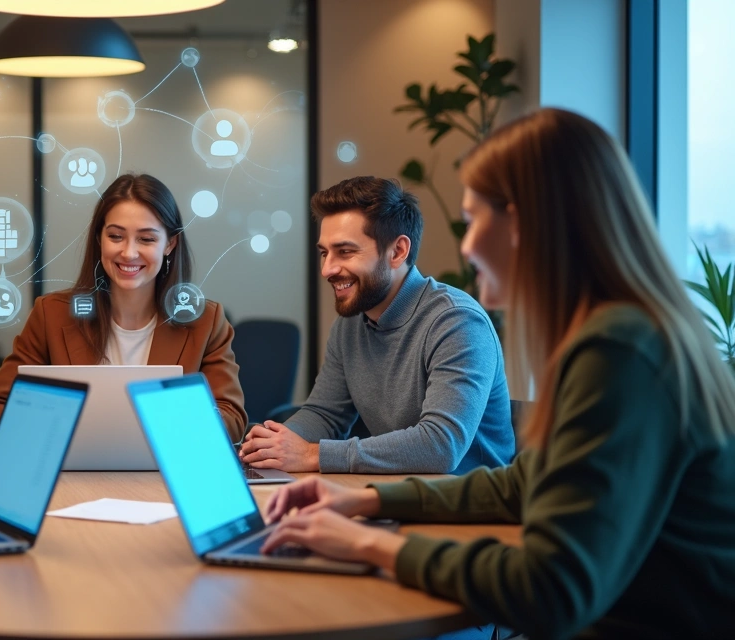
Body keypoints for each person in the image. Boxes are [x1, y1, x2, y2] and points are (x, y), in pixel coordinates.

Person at [260, 109, 735, 638]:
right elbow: (525, 484)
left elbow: (551, 590)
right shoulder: (620, 331)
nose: (464, 247)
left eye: (472, 220)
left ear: (527, 222)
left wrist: (370, 543)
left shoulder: (619, 349)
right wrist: (368, 500)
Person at [240, 176, 513, 474]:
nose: (327, 269)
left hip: (468, 507)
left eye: (345, 252)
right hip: (398, 494)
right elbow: (325, 415)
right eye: (324, 253)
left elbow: (440, 445)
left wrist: (311, 454)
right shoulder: (351, 324)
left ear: (397, 252)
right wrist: (273, 445)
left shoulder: (457, 322)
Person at [0, 173, 247, 441]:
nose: (128, 252)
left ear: (170, 244)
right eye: (116, 236)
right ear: (99, 238)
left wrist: (159, 422)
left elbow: (232, 420)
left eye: (146, 239)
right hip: (75, 480)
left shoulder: (206, 321)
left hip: (162, 479)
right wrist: (63, 423)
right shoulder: (51, 314)